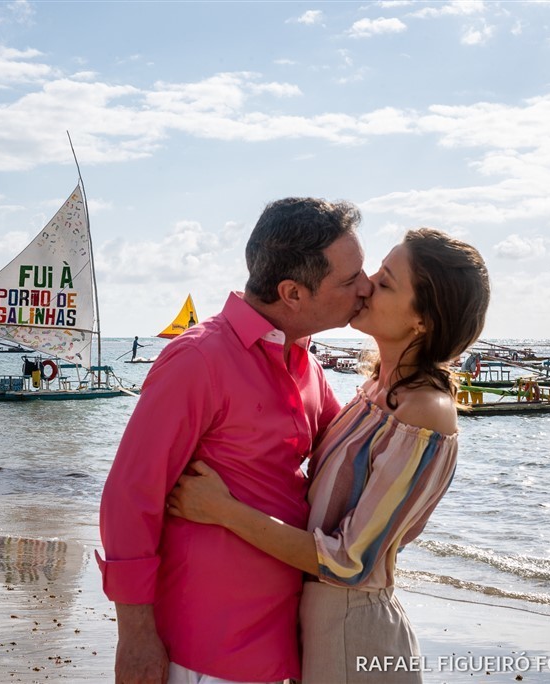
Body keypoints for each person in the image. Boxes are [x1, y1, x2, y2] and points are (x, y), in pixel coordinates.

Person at [168, 228, 490, 683]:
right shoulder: (376, 392)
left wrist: (222, 510)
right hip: (317, 622)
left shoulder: (425, 414)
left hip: (355, 631)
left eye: (386, 281)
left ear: (424, 320)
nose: (366, 284)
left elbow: (350, 562)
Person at [97, 197, 373, 684]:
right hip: (204, 649)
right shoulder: (198, 359)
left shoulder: (304, 362)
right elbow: (128, 497)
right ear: (292, 293)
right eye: (350, 280)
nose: (366, 287)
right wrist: (135, 635)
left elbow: (349, 450)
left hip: (283, 646)